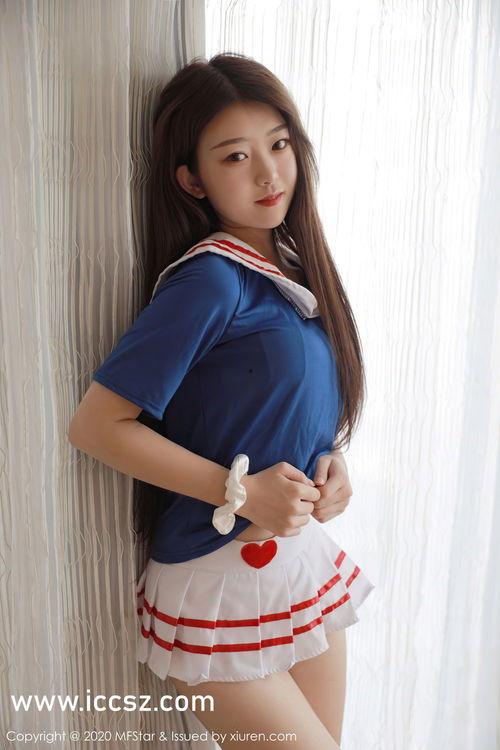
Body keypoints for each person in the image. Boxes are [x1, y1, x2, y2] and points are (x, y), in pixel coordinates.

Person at [68, 52, 375, 750]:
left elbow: (274, 402)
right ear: (191, 179)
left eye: (278, 144)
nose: (268, 173)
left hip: (295, 562)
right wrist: (241, 491)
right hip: (216, 581)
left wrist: (329, 462)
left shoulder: (289, 271)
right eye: (235, 156)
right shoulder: (210, 281)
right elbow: (97, 425)